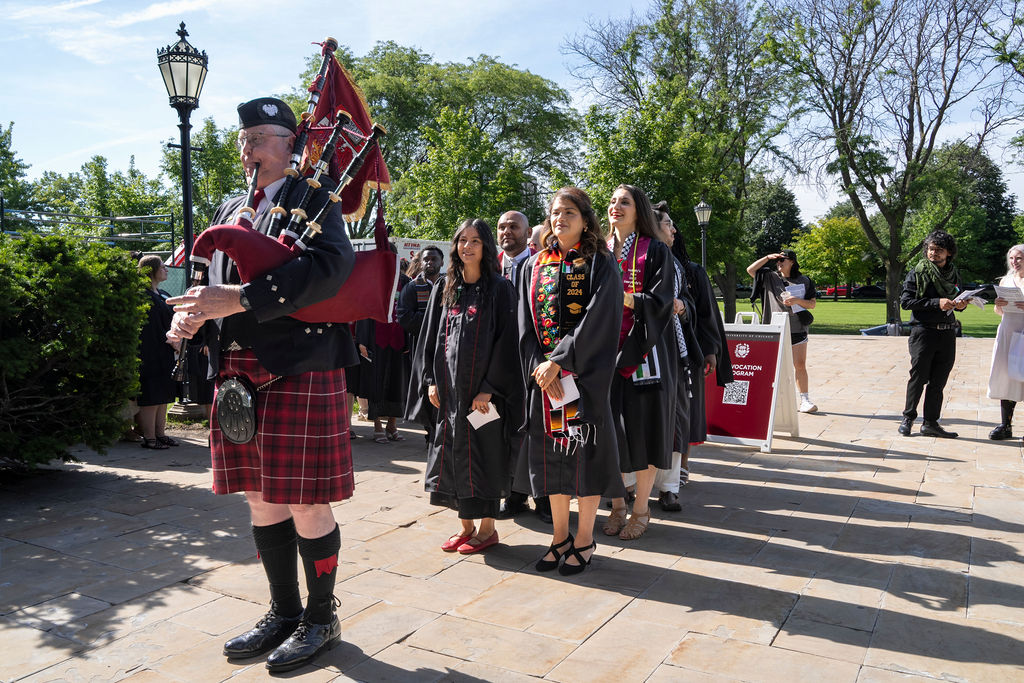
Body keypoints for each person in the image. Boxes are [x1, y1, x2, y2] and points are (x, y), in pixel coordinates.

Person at [166, 97, 355, 672]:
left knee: (304, 499)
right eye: (244, 137)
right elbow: (202, 276)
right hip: (238, 368)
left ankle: (322, 617)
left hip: (301, 363)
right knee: (260, 496)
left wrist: (241, 299)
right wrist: (190, 317)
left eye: (263, 137)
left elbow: (332, 270)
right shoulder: (228, 207)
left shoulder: (315, 201)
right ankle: (284, 612)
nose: (249, 148)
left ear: (290, 144)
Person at [519, 187, 625, 575]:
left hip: (581, 380)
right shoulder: (534, 264)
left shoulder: (599, 262)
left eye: (569, 212)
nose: (560, 218)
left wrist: (560, 362)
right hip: (546, 384)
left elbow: (599, 319)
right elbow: (525, 324)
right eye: (554, 212)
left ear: (584, 219)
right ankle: (559, 537)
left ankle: (584, 538)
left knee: (584, 459)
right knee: (553, 462)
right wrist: (538, 365)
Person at [409, 219, 520, 553]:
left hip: (483, 397)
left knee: (486, 455)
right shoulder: (448, 286)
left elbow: (507, 342)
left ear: (486, 247)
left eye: (475, 241)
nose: (467, 247)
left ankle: (487, 531)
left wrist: (489, 386)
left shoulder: (499, 289)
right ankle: (465, 527)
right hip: (450, 395)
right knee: (451, 454)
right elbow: (430, 337)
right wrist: (430, 380)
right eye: (462, 241)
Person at [603, 185, 677, 541]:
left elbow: (662, 301)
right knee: (608, 435)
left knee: (642, 433)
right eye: (613, 201)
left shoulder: (656, 251)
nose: (616, 206)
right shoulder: (597, 251)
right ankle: (617, 504)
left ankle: (641, 507)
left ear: (638, 210)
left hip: (643, 353)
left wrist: (625, 297)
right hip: (600, 356)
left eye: (625, 202)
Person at [494, 210, 552, 524]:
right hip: (501, 365)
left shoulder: (544, 263)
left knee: (538, 431)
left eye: (513, 226)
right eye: (502, 226)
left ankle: (544, 497)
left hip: (534, 359)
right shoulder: (491, 267)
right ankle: (513, 494)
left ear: (527, 231)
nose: (507, 231)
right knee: (506, 431)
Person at [649, 204, 700, 512]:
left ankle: (669, 486)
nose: (674, 229)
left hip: (672, 349)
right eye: (668, 224)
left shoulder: (679, 265)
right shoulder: (629, 258)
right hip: (636, 347)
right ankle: (628, 486)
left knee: (675, 417)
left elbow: (692, 306)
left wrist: (681, 306)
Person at [898, 229, 968, 438]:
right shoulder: (917, 273)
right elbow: (906, 302)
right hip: (923, 332)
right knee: (918, 377)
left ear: (949, 253)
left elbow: (958, 299)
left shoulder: (954, 274)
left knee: (939, 381)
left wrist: (962, 305)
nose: (933, 253)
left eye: (939, 250)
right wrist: (937, 303)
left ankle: (930, 423)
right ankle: (908, 418)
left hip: (947, 333)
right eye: (930, 249)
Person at [746, 249, 818, 413]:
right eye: (777, 260)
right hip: (774, 329)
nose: (778, 263)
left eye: (782, 260)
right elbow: (750, 270)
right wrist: (767, 256)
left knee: (799, 364)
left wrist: (797, 300)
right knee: (771, 366)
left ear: (792, 261)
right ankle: (766, 400)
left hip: (797, 328)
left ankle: (805, 401)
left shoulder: (805, 280)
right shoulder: (770, 277)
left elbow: (812, 304)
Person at [400, 245, 444, 444]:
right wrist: (432, 321)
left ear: (442, 262)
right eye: (426, 259)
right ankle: (430, 432)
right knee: (425, 388)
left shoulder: (449, 285)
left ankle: (442, 429)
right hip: (421, 345)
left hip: (445, 346)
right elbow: (405, 316)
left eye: (434, 259)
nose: (429, 263)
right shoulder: (411, 287)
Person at [136, 255, 179, 449]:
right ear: (151, 270)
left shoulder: (162, 293)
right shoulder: (143, 295)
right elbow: (151, 327)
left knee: (163, 394)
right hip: (150, 351)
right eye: (162, 267)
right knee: (152, 395)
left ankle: (161, 434)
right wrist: (170, 340)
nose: (166, 269)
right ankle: (149, 437)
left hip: (165, 351)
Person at [987, 245, 1024, 440]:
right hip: (1008, 332)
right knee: (1006, 375)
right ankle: (1005, 425)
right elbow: (999, 313)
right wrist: (998, 305)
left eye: (1019, 258)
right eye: (1012, 258)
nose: (1014, 262)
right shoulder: (1006, 280)